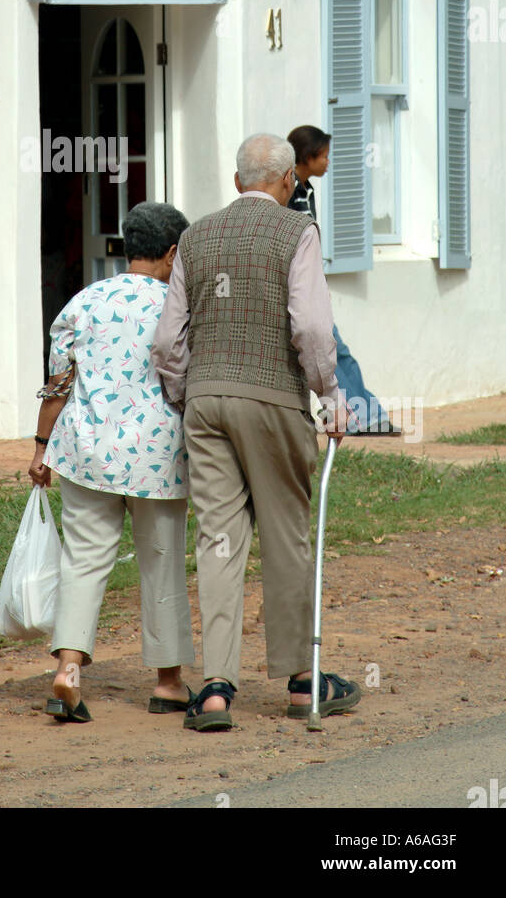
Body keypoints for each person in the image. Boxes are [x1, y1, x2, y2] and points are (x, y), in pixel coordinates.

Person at [152, 134, 360, 731]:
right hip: (274, 399)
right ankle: (300, 680)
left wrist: (186, 390)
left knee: (218, 540)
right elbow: (314, 329)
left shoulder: (194, 237)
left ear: (237, 179)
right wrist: (329, 394)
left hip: (207, 404)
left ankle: (215, 689)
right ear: (289, 181)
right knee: (287, 534)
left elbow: (167, 342)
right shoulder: (299, 233)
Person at [28, 201, 195, 724]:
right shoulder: (179, 305)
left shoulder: (84, 302)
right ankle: (168, 683)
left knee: (83, 560)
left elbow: (59, 384)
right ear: (172, 253)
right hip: (158, 456)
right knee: (161, 562)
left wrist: (40, 446)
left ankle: (68, 672)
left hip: (86, 451)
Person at [287, 125, 398, 435]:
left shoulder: (305, 190)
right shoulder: (288, 191)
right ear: (308, 157)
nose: (328, 162)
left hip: (309, 288)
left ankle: (366, 417)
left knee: (334, 352)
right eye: (324, 156)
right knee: (330, 352)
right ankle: (359, 418)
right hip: (296, 292)